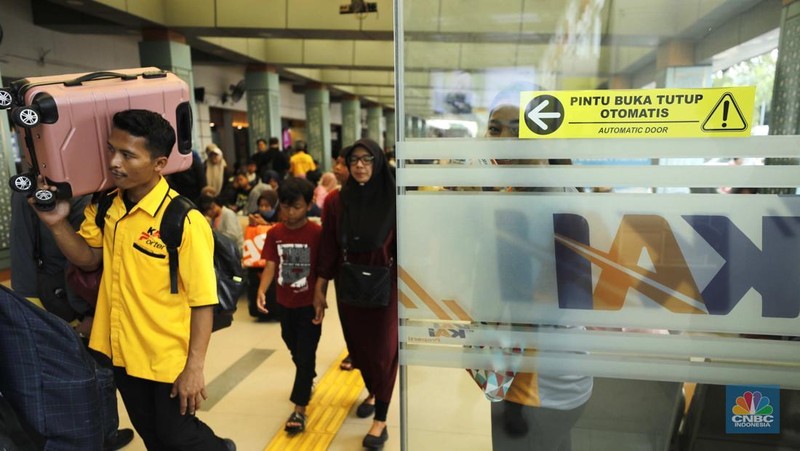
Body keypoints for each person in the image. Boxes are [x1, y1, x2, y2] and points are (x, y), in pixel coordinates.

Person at [29, 109, 235, 451]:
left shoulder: (183, 220)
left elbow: (203, 300)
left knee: (178, 435)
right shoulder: (108, 206)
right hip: (123, 350)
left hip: (168, 355)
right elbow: (88, 257)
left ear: (159, 163)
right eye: (112, 150)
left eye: (128, 155)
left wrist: (194, 368)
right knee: (152, 435)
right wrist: (56, 224)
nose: (114, 162)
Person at [484, 89, 592, 451]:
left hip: (539, 382)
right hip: (543, 373)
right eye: (494, 129)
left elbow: (536, 298)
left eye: (516, 129)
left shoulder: (541, 198)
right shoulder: (531, 189)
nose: (502, 140)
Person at [9, 190, 135, 451]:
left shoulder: (105, 185)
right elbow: (22, 249)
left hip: (103, 294)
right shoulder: (30, 191)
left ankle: (107, 432)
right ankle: (87, 435)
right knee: (74, 372)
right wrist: (31, 307)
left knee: (104, 368)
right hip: (59, 298)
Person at [314, 138, 397, 449]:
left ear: (377, 163)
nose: (360, 165)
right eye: (354, 160)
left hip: (385, 285)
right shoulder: (336, 201)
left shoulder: (393, 199)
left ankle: (382, 419)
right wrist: (319, 288)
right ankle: (374, 391)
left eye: (367, 159)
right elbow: (329, 246)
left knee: (384, 351)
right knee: (359, 348)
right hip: (349, 283)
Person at [256, 177, 322, 435]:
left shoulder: (317, 233)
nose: (289, 212)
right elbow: (271, 265)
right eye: (285, 207)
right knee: (292, 345)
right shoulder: (275, 233)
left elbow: (324, 269)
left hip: (309, 305)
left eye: (295, 207)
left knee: (305, 354)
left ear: (309, 205)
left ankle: (299, 408)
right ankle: (308, 375)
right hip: (285, 303)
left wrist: (320, 296)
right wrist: (261, 290)